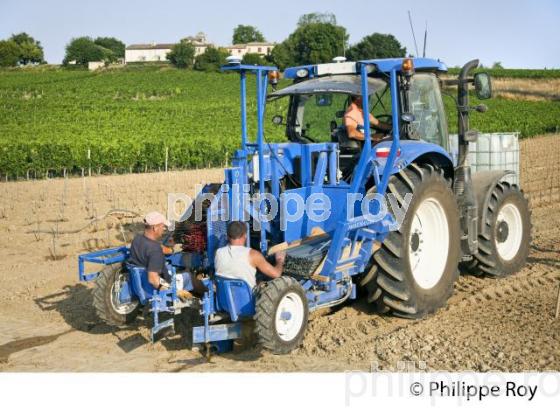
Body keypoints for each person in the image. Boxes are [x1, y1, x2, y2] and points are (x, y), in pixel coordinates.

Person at [128, 211, 193, 299]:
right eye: (162, 226)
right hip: (151, 287)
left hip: (141, 280)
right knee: (188, 276)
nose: (163, 229)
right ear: (155, 228)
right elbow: (152, 279)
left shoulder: (137, 239)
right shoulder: (155, 250)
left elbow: (155, 247)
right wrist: (173, 291)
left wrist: (171, 250)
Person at [214, 221, 285, 289]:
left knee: (258, 280)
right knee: (268, 284)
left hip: (225, 298)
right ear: (245, 235)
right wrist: (280, 260)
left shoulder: (218, 253)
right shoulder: (253, 254)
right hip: (248, 298)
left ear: (228, 236)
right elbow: (276, 274)